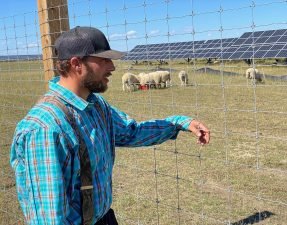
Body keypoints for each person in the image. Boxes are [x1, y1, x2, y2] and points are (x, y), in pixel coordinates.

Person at [10, 26, 210, 225]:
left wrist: (179, 123)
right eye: (104, 60)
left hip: (105, 218)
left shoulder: (96, 105)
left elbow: (132, 133)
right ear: (76, 64)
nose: (112, 67)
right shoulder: (45, 129)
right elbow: (49, 219)